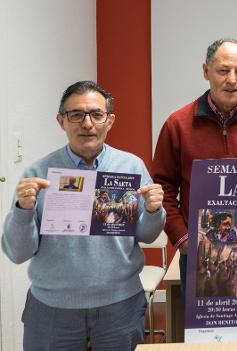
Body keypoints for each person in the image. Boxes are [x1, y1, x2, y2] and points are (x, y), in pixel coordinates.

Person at [1, 81, 166, 350]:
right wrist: (23, 210)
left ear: (109, 121)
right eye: (76, 115)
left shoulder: (131, 166)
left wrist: (153, 210)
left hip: (120, 305)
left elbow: (147, 235)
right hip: (52, 309)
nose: (87, 123)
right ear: (61, 121)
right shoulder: (38, 173)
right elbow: (17, 253)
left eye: (96, 114)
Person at [152, 38, 237, 289]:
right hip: (198, 254)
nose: (232, 79)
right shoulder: (178, 124)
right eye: (223, 70)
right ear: (206, 71)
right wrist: (181, 237)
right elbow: (163, 187)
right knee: (204, 329)